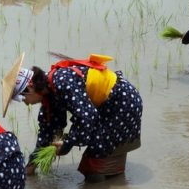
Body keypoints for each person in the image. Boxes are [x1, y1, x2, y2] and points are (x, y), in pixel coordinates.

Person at [8, 53, 143, 182]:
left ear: (30, 87)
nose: (25, 103)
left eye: (23, 98)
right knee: (100, 150)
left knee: (94, 165)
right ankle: (115, 181)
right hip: (108, 107)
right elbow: (47, 131)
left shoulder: (62, 82)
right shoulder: (49, 94)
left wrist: (66, 145)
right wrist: (32, 165)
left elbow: (87, 118)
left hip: (123, 104)